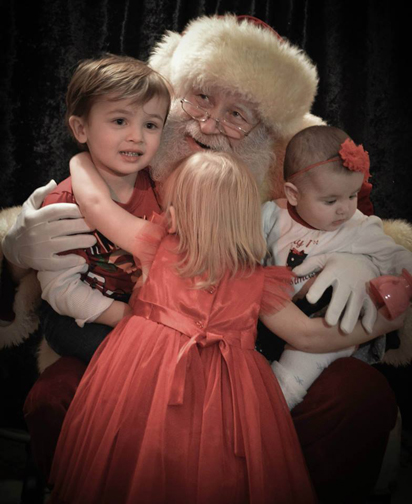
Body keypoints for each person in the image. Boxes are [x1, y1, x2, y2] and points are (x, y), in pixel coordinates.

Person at [0, 14, 408, 502]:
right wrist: (12, 250)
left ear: (268, 132)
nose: (210, 123)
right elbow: (75, 220)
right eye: (200, 98)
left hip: (257, 369)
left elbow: (365, 232)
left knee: (358, 397)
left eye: (237, 114)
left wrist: (366, 261)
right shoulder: (127, 158)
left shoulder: (285, 186)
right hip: (126, 349)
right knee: (56, 395)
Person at [48, 150, 401, 504]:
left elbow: (96, 204)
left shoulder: (156, 245)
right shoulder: (259, 281)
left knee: (136, 462)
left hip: (147, 372)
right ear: (246, 219)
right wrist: (385, 322)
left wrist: (80, 160)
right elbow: (308, 336)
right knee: (219, 472)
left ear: (176, 214)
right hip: (229, 392)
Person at [261, 125, 412, 409]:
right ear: (293, 194)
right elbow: (243, 245)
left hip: (336, 324)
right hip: (280, 314)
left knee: (300, 363)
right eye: (331, 201)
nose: (345, 209)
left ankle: (279, 400)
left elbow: (395, 256)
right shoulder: (272, 214)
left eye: (352, 195)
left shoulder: (358, 226)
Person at [37, 54, 170, 359]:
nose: (136, 137)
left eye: (150, 125)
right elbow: (59, 289)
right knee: (129, 356)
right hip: (79, 313)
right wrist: (123, 316)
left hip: (141, 305)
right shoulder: (63, 204)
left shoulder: (160, 187)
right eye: (120, 121)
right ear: (81, 129)